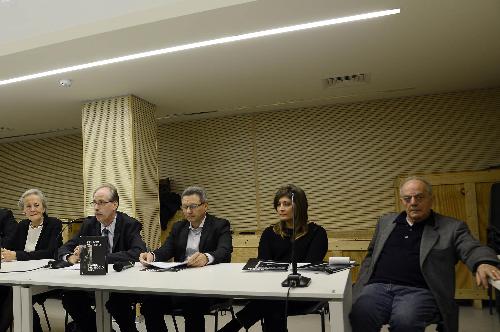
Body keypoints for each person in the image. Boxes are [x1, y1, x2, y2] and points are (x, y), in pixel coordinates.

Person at [350, 176, 500, 332]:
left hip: (418, 290)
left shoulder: (451, 228)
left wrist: (482, 262)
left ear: (431, 199)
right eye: (408, 198)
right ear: (402, 201)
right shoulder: (385, 222)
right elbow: (371, 254)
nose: (413, 202)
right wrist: (362, 282)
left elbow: (472, 247)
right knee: (359, 314)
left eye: (419, 197)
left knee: (405, 322)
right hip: (377, 287)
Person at [219, 184, 328, 332]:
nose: (281, 209)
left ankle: (235, 325)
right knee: (273, 304)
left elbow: (311, 266)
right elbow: (263, 264)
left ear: (300, 206)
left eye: (287, 204)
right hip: (273, 290)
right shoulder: (270, 233)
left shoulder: (317, 233)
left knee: (269, 303)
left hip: (303, 292)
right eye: (278, 204)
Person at [137, 186, 232, 332]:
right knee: (150, 305)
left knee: (192, 306)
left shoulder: (220, 225)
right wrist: (152, 256)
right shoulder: (178, 227)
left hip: (207, 287)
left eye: (193, 206)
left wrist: (206, 257)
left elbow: (224, 251)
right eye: (185, 207)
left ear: (205, 206)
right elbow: (167, 249)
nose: (188, 211)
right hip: (179, 284)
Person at [58, 183, 146, 332]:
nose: (96, 208)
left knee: (117, 303)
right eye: (94, 203)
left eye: (101, 203)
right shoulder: (89, 224)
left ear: (115, 205)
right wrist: (70, 257)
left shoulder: (129, 224)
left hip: (121, 281)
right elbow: (64, 247)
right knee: (70, 298)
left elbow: (138, 252)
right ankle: (95, 327)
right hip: (94, 279)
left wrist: (97, 256)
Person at [0, 189, 63, 332]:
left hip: (43, 276)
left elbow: (50, 253)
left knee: (15, 296)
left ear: (44, 207)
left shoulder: (54, 224)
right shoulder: (22, 225)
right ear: (23, 210)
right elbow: (9, 246)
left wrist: (17, 255)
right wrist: (3, 252)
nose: (33, 209)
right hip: (18, 274)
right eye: (28, 206)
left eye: (36, 205)